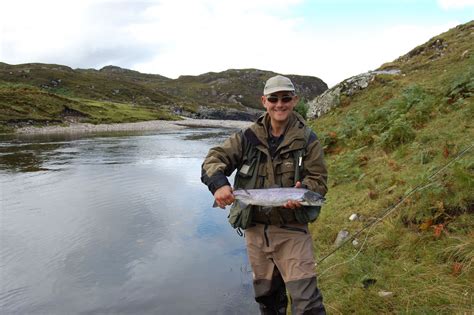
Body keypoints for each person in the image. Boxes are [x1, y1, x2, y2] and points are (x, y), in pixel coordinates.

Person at [201, 75, 328, 315]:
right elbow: (214, 159)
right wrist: (219, 185)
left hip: (292, 231)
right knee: (268, 300)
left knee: (307, 302)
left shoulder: (308, 140)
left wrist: (305, 188)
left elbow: (319, 181)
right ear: (264, 101)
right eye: (274, 99)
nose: (279, 104)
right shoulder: (247, 137)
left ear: (294, 100)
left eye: (286, 98)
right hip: (256, 233)